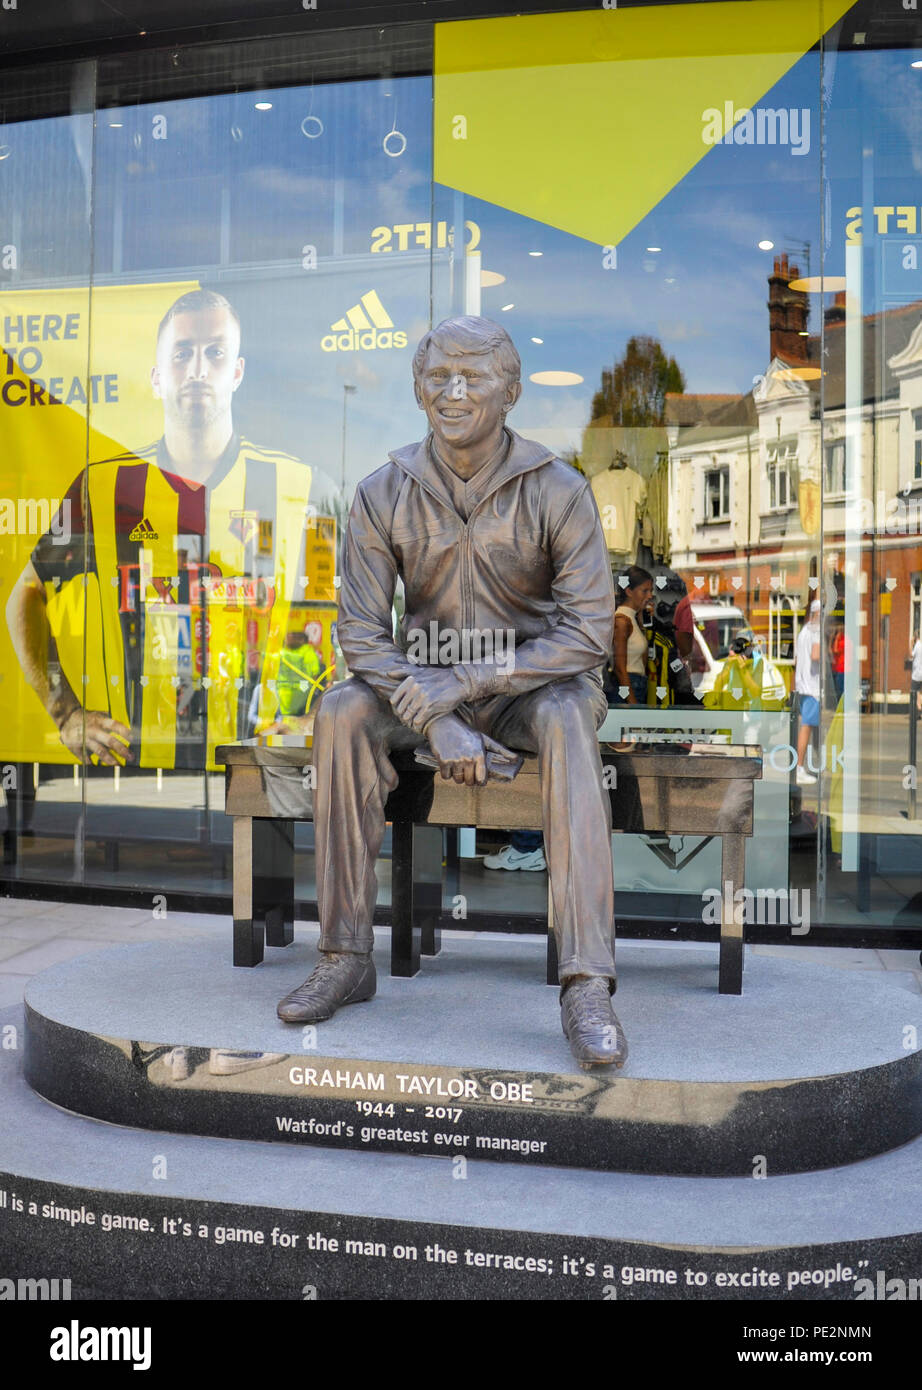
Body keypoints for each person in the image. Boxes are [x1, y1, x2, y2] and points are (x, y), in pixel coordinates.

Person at [272, 315, 627, 1071]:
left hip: (532, 688)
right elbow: (360, 631)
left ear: (510, 390)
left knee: (570, 713)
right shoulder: (381, 492)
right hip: (424, 690)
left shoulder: (559, 490)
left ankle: (587, 981)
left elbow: (589, 633)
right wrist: (436, 719)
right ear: (418, 389)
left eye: (473, 377)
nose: (454, 392)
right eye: (438, 377)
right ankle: (344, 955)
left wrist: (466, 682)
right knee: (340, 709)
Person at [6, 289, 330, 772]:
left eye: (215, 352)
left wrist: (319, 719)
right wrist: (66, 712)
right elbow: (26, 596)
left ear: (237, 372)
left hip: (261, 777)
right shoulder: (104, 487)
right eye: (182, 353)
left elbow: (358, 621)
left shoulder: (298, 487)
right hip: (138, 780)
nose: (198, 369)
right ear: (157, 377)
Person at [610, 565, 653, 705]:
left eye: (651, 591)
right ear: (629, 591)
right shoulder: (622, 621)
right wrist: (632, 704)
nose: (649, 596)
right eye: (645, 591)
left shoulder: (632, 618)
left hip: (637, 684)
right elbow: (619, 667)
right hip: (628, 687)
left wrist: (641, 619)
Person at [794, 599, 822, 785]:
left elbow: (797, 659)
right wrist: (827, 656)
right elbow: (816, 655)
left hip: (803, 684)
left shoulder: (803, 631)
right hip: (812, 687)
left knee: (811, 726)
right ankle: (799, 767)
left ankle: (809, 764)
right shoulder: (815, 631)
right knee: (807, 727)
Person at [911, 630, 922, 715]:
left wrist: (910, 644)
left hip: (916, 675)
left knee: (914, 693)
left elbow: (911, 655)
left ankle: (919, 709)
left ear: (915, 637)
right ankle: (920, 711)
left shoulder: (917, 646)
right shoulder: (921, 645)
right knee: (920, 692)